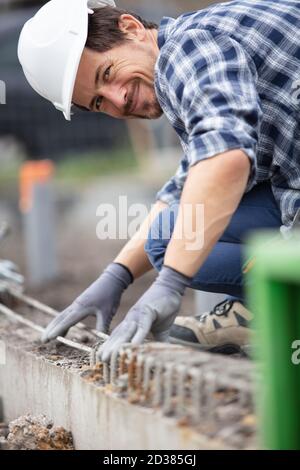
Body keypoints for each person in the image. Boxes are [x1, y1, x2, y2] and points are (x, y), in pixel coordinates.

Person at [18, 0, 300, 361]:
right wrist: (116, 276)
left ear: (131, 28)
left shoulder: (189, 49)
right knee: (168, 237)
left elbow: (225, 157)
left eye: (106, 74)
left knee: (174, 240)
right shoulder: (191, 62)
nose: (118, 102)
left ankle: (274, 309)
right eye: (99, 103)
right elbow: (184, 187)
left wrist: (171, 282)